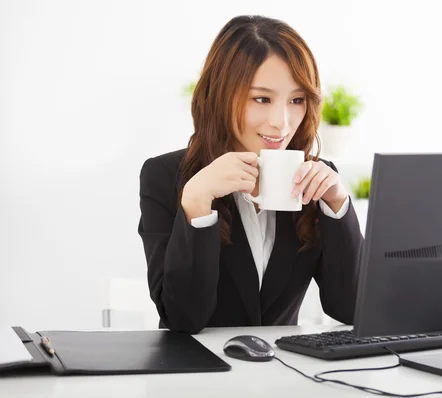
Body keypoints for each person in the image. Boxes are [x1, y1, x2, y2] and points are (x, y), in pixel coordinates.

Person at [138, 15, 363, 334]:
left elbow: (350, 307)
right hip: (198, 377)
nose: (281, 122)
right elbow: (183, 319)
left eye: (296, 100)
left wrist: (337, 205)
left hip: (283, 374)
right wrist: (198, 202)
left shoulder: (314, 179)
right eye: (262, 99)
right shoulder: (164, 176)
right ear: (221, 95)